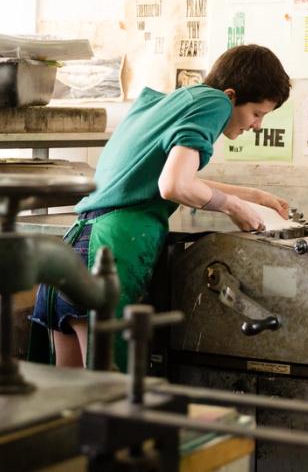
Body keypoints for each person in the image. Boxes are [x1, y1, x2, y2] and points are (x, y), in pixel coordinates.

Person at [30, 44, 292, 369]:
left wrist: (254, 196)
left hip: (74, 250)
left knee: (69, 402)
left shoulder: (175, 101)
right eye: (257, 114)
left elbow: (164, 179)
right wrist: (234, 207)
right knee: (111, 399)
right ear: (231, 95)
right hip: (108, 256)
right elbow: (173, 186)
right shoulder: (215, 104)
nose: (257, 126)